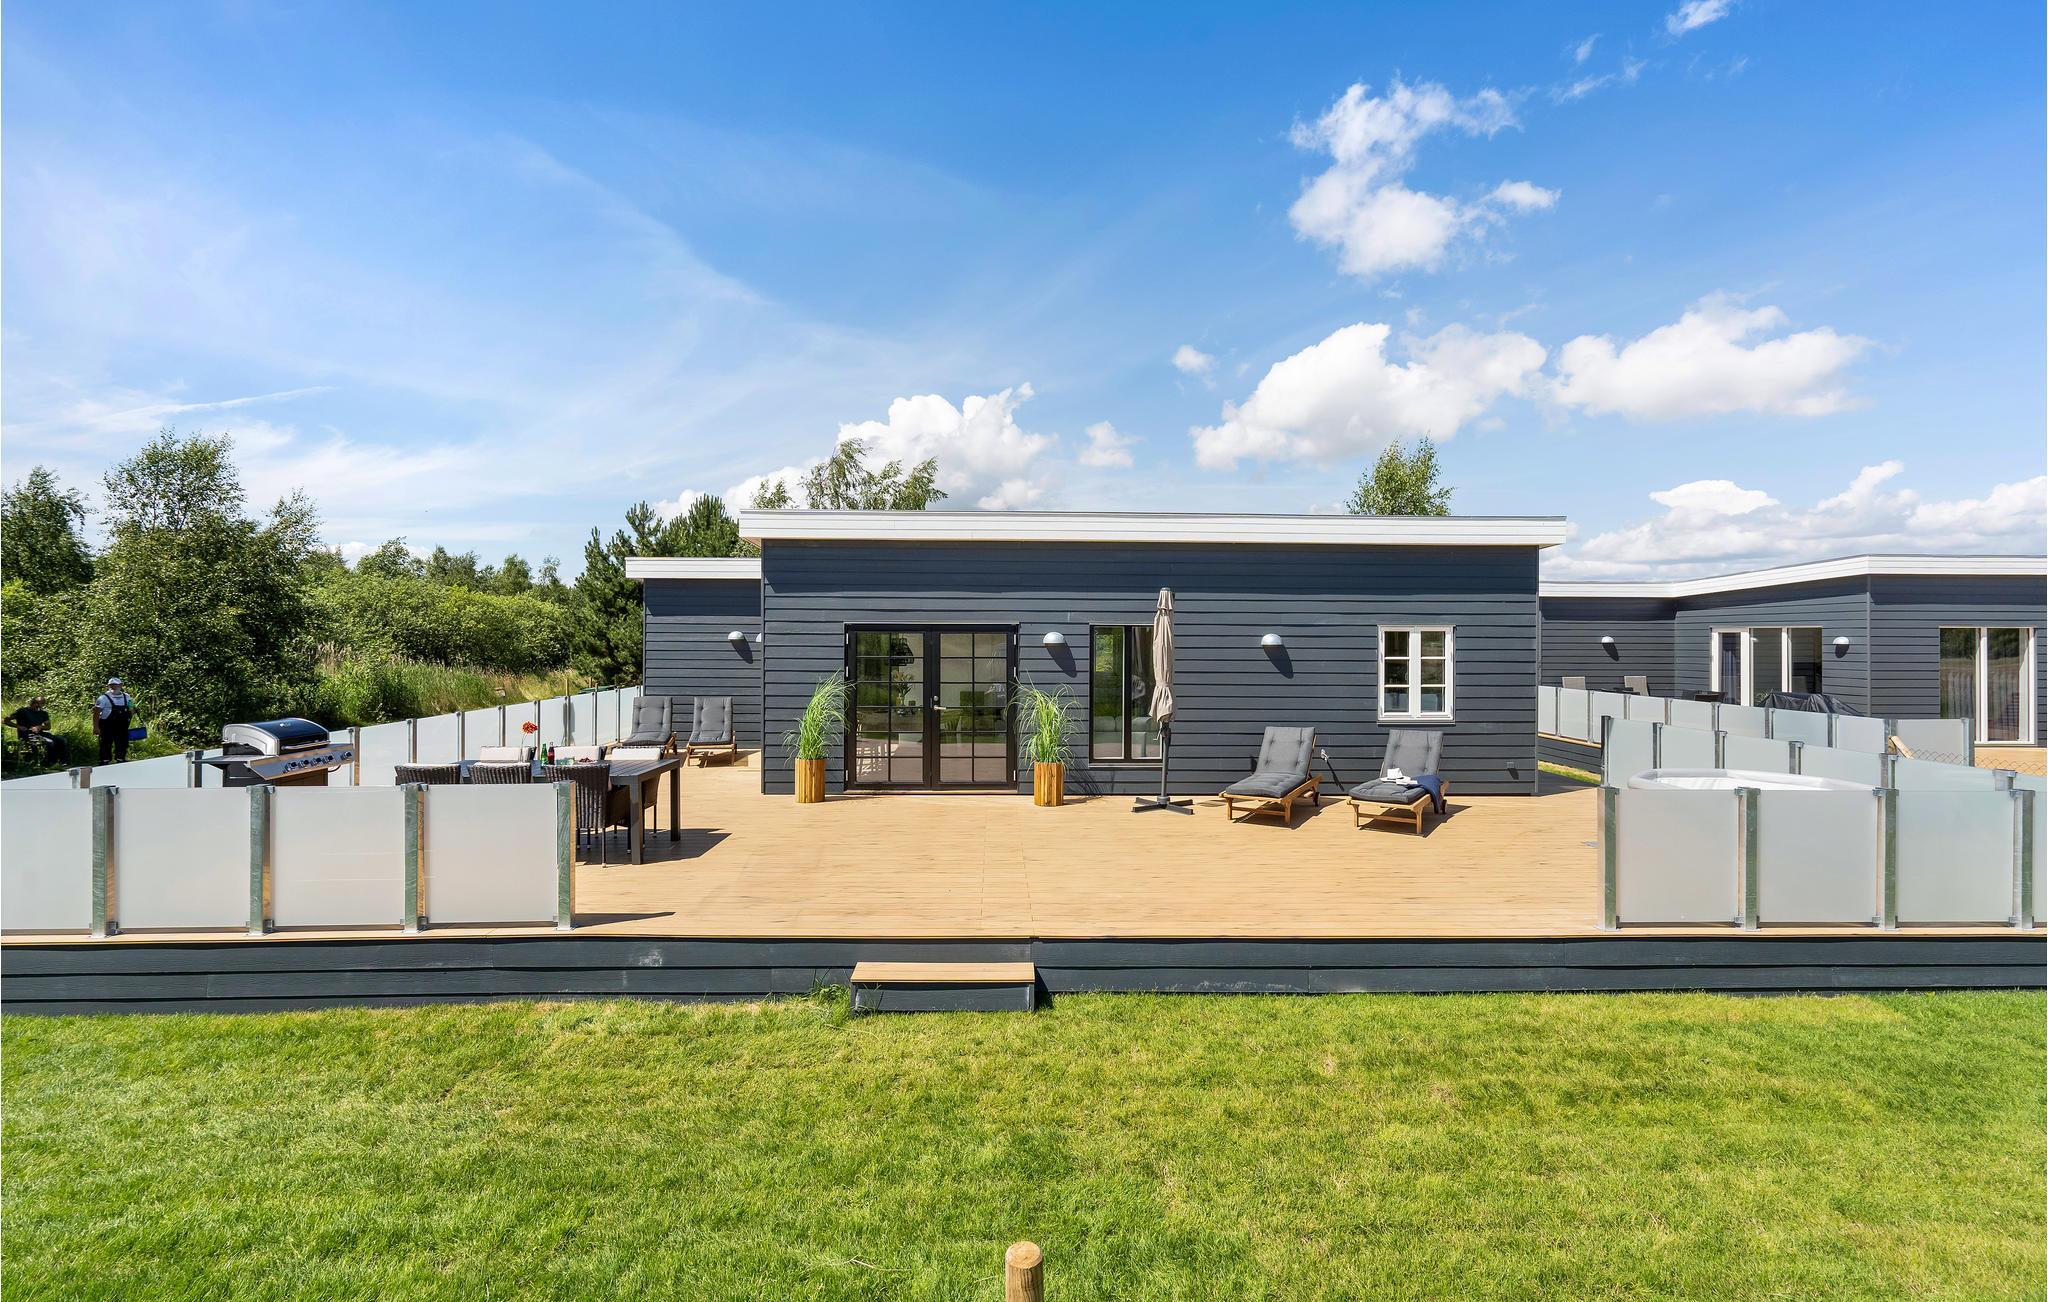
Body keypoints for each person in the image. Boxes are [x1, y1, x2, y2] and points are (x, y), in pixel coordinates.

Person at [5, 697, 68, 765]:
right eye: (37, 703)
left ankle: (62, 761)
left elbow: (48, 727)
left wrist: (40, 727)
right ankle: (50, 762)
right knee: (50, 742)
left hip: (40, 733)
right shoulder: (22, 711)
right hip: (26, 734)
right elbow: (6, 720)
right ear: (32, 703)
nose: (39, 705)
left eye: (41, 704)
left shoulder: (43, 713)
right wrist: (19, 727)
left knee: (61, 740)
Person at [93, 677, 136, 765]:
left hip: (122, 724)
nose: (114, 687)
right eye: (112, 685)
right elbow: (96, 713)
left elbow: (131, 708)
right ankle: (104, 761)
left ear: (121, 685)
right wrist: (96, 727)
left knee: (122, 742)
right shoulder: (103, 698)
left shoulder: (127, 696)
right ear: (108, 686)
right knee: (105, 743)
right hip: (106, 724)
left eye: (116, 685)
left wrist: (131, 713)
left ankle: (121, 759)